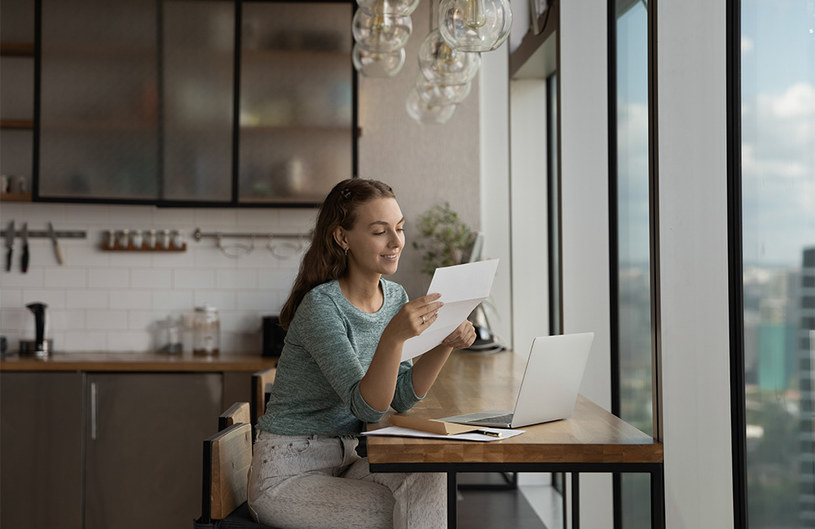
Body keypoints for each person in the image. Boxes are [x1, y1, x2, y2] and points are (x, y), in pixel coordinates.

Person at [248, 178, 476, 529]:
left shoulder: (395, 297)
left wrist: (444, 343)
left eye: (399, 229)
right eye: (380, 231)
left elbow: (399, 396)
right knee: (398, 510)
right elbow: (367, 406)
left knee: (433, 477)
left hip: (351, 460)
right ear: (343, 237)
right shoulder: (321, 307)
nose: (396, 241)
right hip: (288, 473)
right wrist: (393, 338)